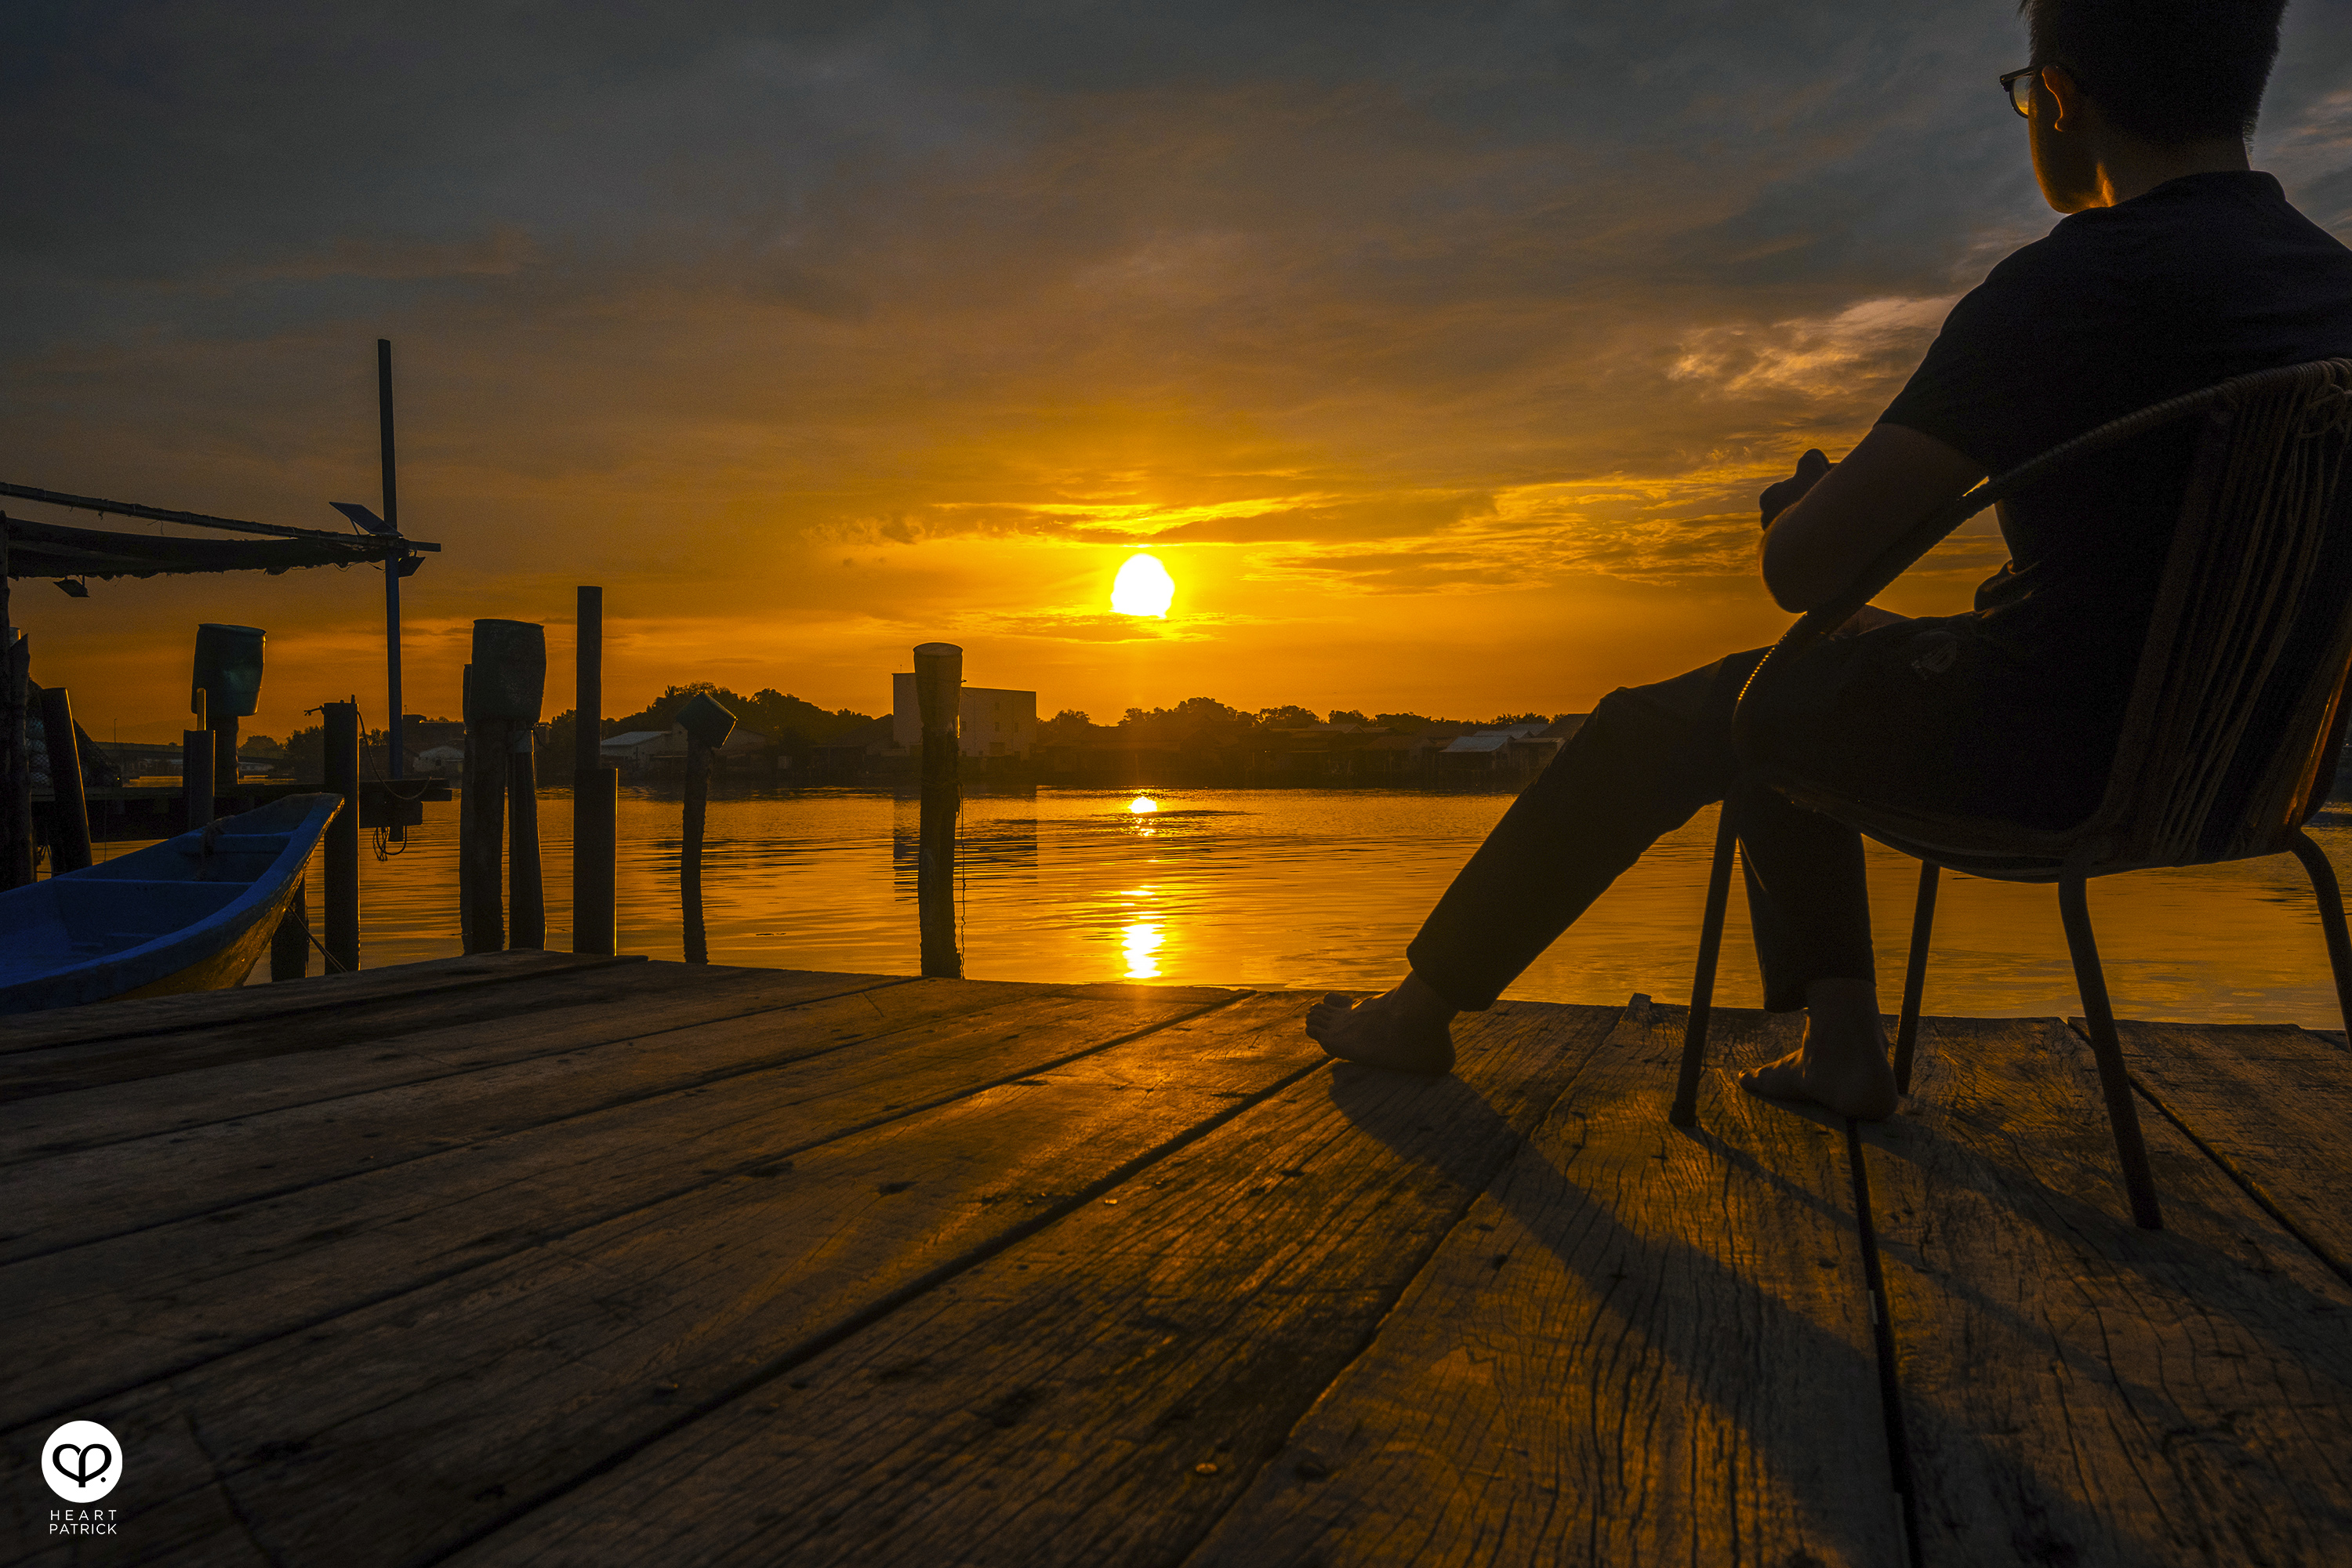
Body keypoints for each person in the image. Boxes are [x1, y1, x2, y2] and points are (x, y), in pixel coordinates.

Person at [1308, 0, 2352, 1120]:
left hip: (2054, 765)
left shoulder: (2065, 292)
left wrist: (1803, 515)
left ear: (2059, 96)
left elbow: (1804, 574)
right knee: (1799, 690)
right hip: (2270, 769)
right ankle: (1843, 1047)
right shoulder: (2335, 290)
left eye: (2024, 92)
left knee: (1695, 713)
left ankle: (1420, 1011)